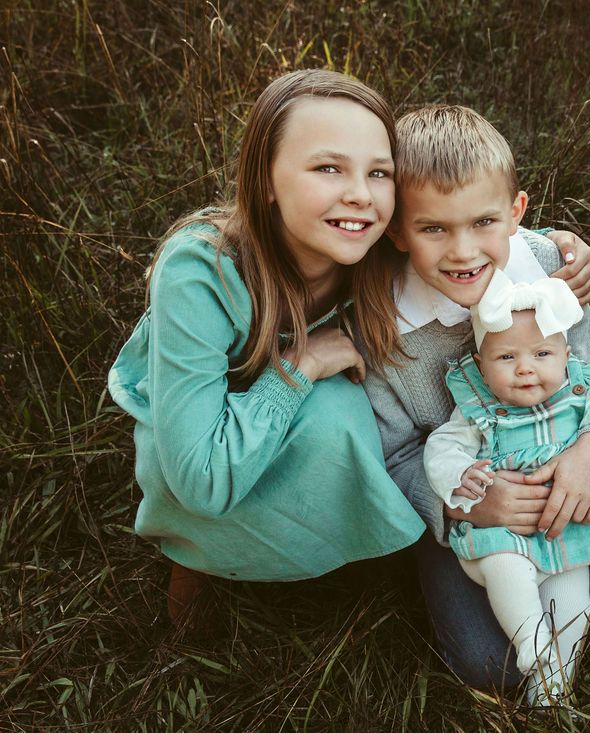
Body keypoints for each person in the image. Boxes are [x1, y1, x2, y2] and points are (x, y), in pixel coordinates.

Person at [107, 70, 426, 625]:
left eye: (379, 173)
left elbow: (471, 229)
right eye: (329, 168)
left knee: (348, 413)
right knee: (329, 415)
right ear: (265, 182)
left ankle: (328, 558)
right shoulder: (200, 271)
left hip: (280, 438)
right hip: (200, 449)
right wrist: (300, 365)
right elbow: (202, 478)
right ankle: (202, 562)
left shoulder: (375, 245)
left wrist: (556, 250)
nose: (360, 193)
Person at [361, 104, 590, 694]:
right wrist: (465, 506)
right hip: (470, 505)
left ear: (516, 213)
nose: (464, 252)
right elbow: (394, 455)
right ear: (396, 229)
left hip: (561, 479)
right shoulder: (381, 324)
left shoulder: (546, 267)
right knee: (488, 664)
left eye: (483, 222)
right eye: (433, 228)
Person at [423, 272, 590, 703]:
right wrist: (460, 477)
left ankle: (551, 686)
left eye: (541, 353)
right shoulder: (478, 408)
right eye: (505, 358)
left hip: (563, 531)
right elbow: (442, 446)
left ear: (566, 355)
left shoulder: (583, 388)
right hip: (499, 535)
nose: (525, 368)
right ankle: (530, 641)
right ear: (480, 365)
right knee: (509, 574)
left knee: (572, 611)